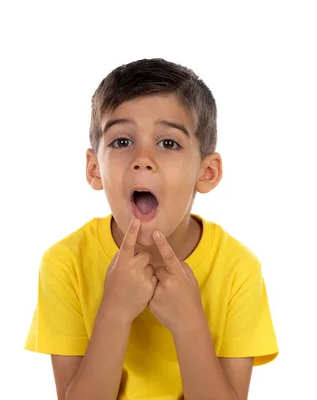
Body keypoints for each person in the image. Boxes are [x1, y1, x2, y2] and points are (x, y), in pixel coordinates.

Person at [24, 58, 279, 400]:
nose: (142, 158)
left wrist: (189, 324)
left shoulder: (239, 270)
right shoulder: (64, 263)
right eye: (122, 142)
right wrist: (113, 312)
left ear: (207, 173)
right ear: (94, 168)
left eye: (168, 143)